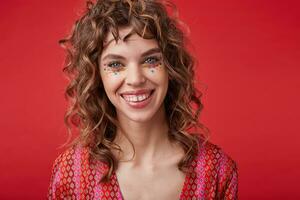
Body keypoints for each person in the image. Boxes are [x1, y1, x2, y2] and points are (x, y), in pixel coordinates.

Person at [48, 0, 238, 199]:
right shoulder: (72, 173)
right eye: (115, 64)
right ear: (97, 76)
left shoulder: (216, 170)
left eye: (150, 60)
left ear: (170, 68)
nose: (136, 79)